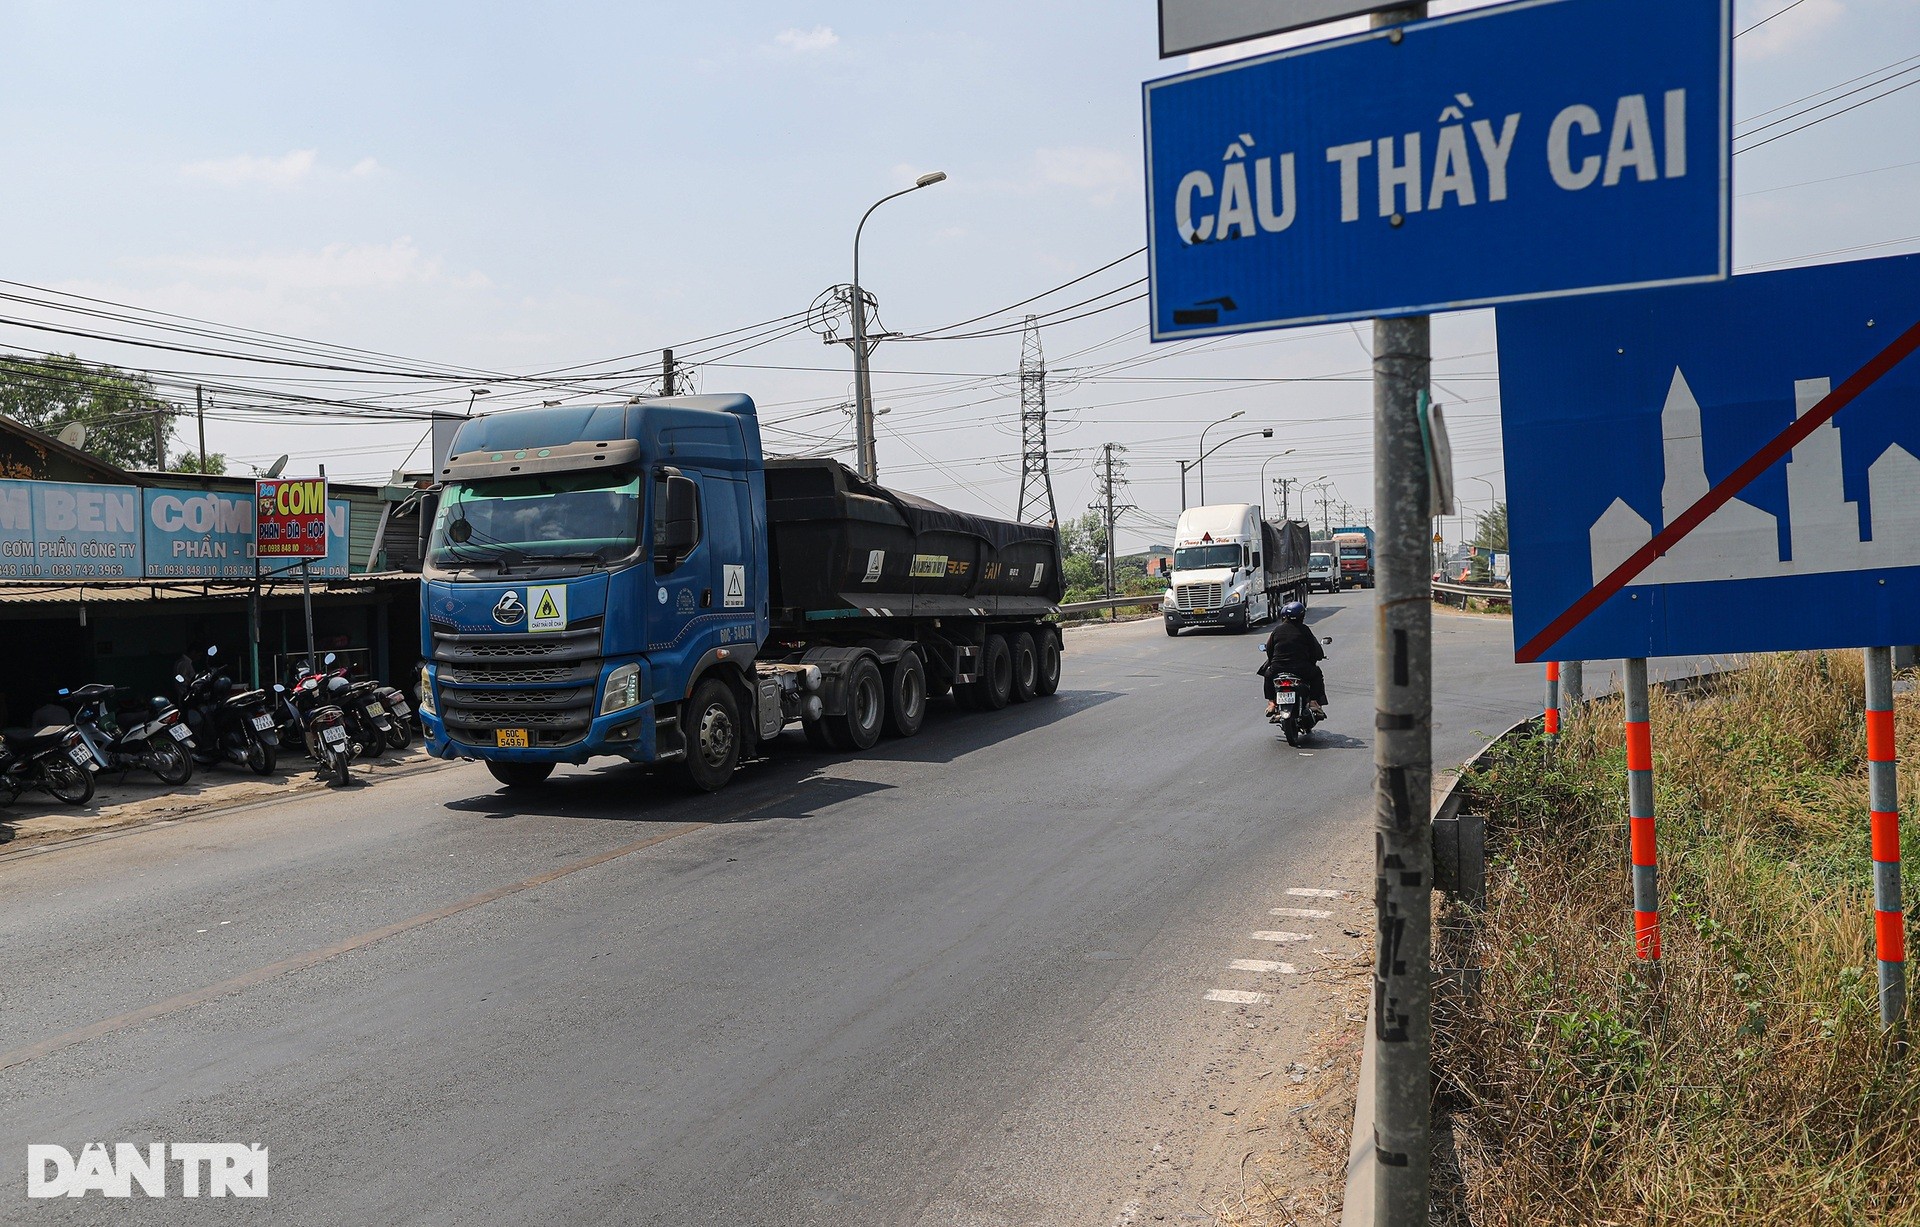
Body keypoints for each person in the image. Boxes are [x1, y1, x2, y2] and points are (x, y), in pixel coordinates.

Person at [1262, 601, 1327, 718]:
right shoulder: (1305, 630)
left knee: (1267, 675)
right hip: (1301, 669)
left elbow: (1269, 650)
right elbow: (1315, 651)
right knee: (1317, 674)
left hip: (1278, 668)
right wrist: (1315, 659)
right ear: (1302, 616)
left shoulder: (1277, 630)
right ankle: (1313, 702)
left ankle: (1271, 703)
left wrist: (1273, 662)